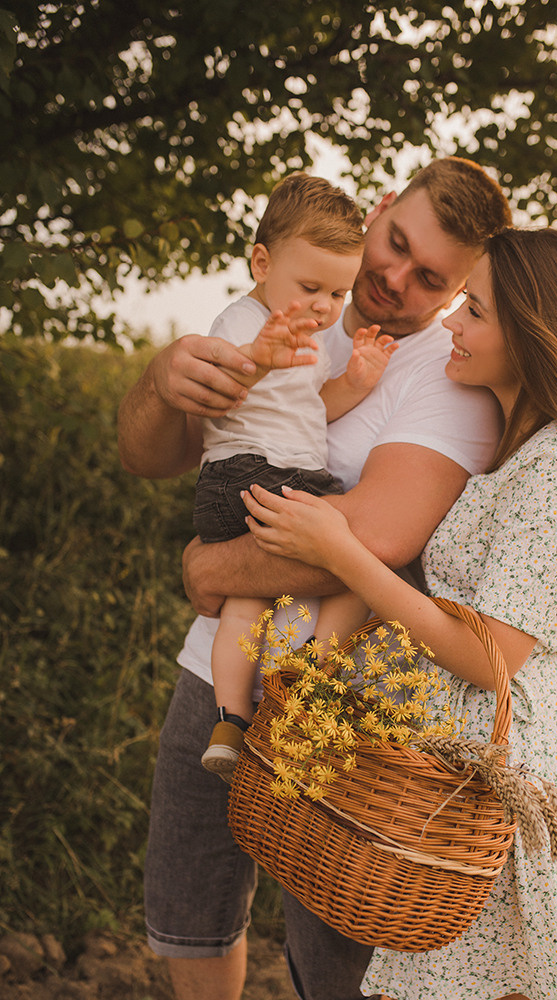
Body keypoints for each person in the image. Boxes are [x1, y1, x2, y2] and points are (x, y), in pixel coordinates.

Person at [117, 155, 512, 1000]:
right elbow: (151, 455)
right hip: (214, 670)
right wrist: (159, 382)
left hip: (340, 707)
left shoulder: (450, 379)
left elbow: (373, 528)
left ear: (458, 289)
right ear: (377, 208)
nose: (391, 275)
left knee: (330, 947)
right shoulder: (287, 297)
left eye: (429, 276)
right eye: (393, 241)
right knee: (191, 906)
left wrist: (210, 567)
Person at [240, 227, 557, 1000]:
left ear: (535, 334)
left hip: (505, 765)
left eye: (475, 309)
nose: (452, 324)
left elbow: (486, 656)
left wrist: (341, 553)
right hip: (451, 751)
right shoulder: (518, 449)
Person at [191, 172, 398, 780]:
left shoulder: (315, 337)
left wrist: (355, 380)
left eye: (338, 293)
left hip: (258, 478)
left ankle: (230, 722)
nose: (323, 306)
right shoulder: (242, 321)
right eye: (310, 286)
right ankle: (308, 676)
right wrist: (259, 357)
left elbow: (314, 407)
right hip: (252, 473)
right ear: (261, 262)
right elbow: (223, 391)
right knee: (366, 564)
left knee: (245, 603)